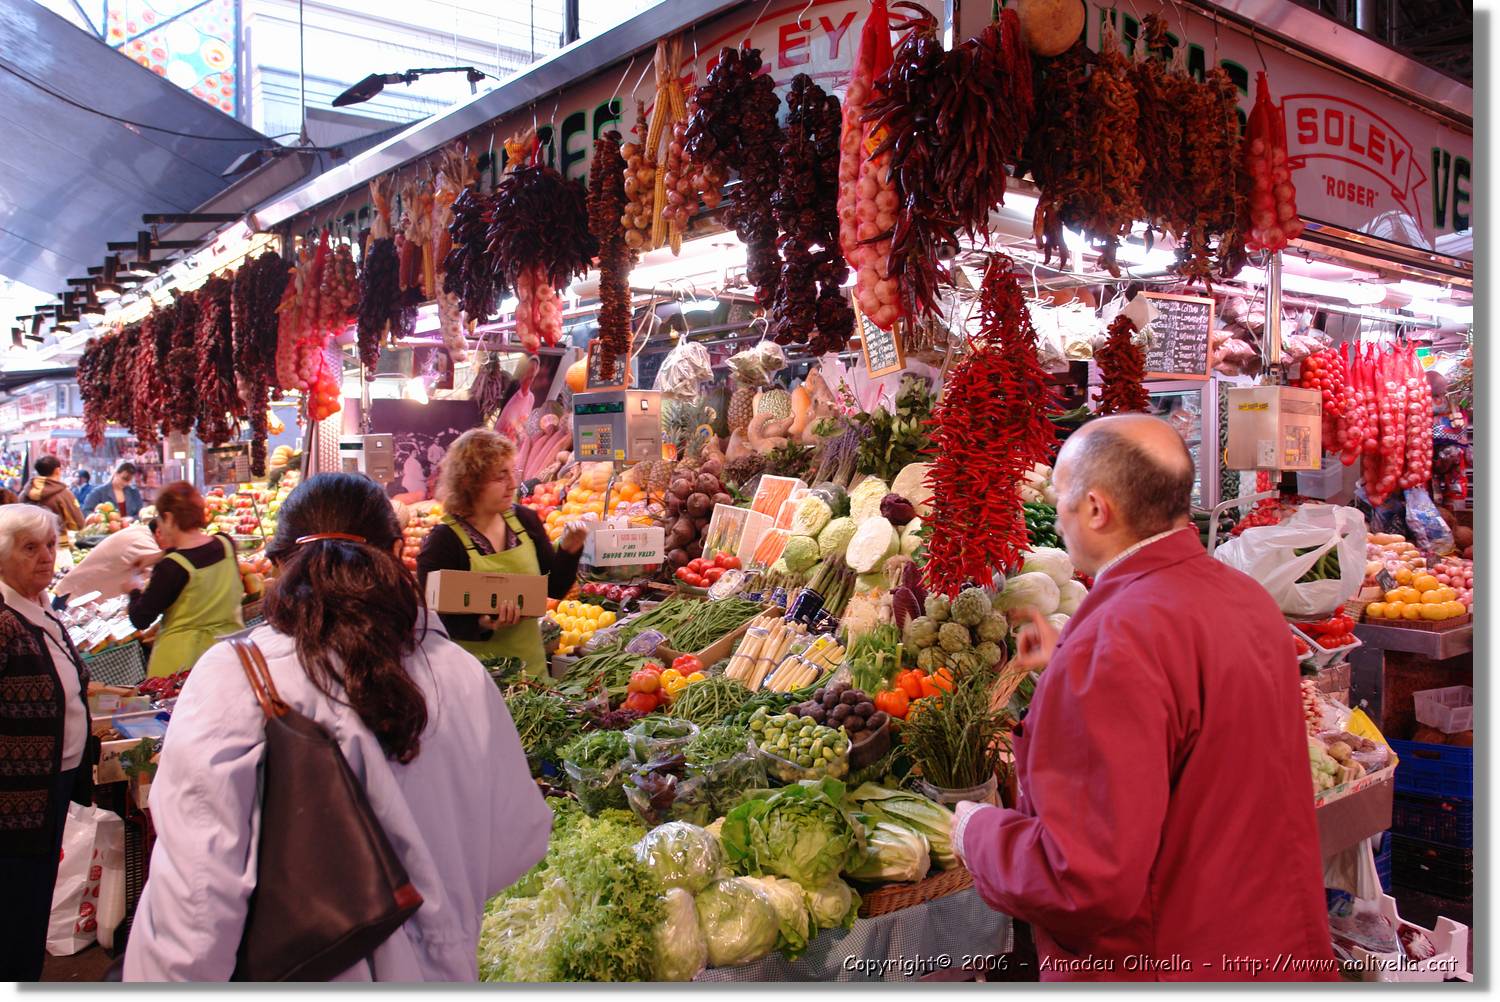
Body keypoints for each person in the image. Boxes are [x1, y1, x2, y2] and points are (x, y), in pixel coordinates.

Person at [951, 414, 1335, 982]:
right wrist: (1074, 659)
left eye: (1062, 498)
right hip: (1270, 945)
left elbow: (1080, 878)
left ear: (1098, 510)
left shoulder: (1115, 641)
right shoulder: (1245, 598)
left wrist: (976, 833)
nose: (1057, 515)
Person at [124, 473, 551, 981]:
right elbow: (517, 844)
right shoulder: (461, 673)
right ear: (396, 551)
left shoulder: (234, 675)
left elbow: (196, 898)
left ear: (279, 563)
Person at [0, 505, 93, 981]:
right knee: (15, 909)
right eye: (30, 548)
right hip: (15, 802)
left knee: (33, 904)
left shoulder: (39, 609)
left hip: (49, 787)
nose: (45, 557)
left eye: (51, 546)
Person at [417, 430, 586, 676]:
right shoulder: (444, 542)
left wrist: (570, 550)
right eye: (500, 477)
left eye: (512, 472)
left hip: (531, 673)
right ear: (470, 483)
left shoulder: (524, 521)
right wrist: (483, 624)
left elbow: (554, 588)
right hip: (475, 679)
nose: (512, 484)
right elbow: (433, 620)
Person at [128, 482, 244, 678]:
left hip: (183, 667)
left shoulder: (170, 568)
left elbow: (140, 618)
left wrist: (133, 590)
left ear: (169, 518)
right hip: (229, 653)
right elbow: (196, 552)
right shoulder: (225, 543)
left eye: (160, 518)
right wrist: (159, 556)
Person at [25, 455, 85, 533]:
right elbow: (78, 523)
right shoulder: (64, 494)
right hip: (56, 541)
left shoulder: (25, 493)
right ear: (57, 470)